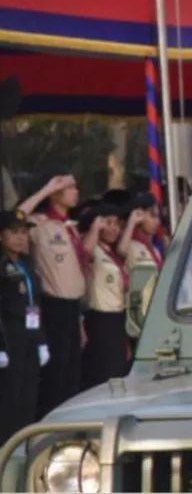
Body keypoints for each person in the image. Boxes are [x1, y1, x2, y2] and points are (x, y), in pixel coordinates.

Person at [17, 174, 87, 418]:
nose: (76, 192)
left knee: (72, 372)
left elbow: (76, 275)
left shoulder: (71, 227)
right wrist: (46, 189)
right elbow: (16, 218)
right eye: (70, 187)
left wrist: (79, 321)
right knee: (55, 373)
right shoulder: (40, 224)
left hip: (72, 307)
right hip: (52, 307)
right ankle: (51, 421)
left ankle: (69, 420)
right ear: (56, 194)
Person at [0, 210, 47, 445]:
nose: (21, 237)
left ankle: (22, 445)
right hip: (9, 337)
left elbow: (34, 304)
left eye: (23, 233)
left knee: (29, 395)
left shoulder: (27, 264)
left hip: (29, 335)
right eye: (14, 232)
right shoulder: (2, 265)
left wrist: (41, 341)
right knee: (10, 398)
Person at [79, 201, 129, 389]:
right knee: (103, 373)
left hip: (117, 317)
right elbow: (86, 252)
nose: (114, 228)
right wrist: (95, 228)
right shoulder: (93, 247)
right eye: (108, 223)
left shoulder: (113, 253)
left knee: (118, 370)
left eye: (117, 224)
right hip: (100, 318)